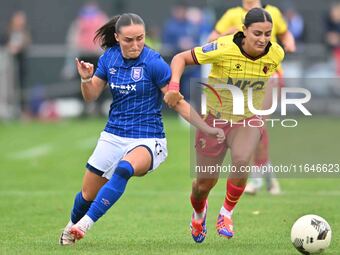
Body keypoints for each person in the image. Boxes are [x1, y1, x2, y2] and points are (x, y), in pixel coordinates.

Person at [59, 13, 225, 245]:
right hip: (113, 134)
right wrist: (86, 80)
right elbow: (91, 96)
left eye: (140, 38)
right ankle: (70, 228)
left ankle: (85, 224)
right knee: (86, 195)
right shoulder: (109, 58)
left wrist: (206, 128)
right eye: (129, 40)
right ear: (117, 37)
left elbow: (176, 101)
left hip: (148, 137)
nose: (136, 44)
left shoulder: (153, 62)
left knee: (125, 169)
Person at [164, 8, 284, 242]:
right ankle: (199, 213)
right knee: (203, 185)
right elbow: (181, 58)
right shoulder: (223, 47)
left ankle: (226, 213)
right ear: (244, 30)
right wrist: (174, 87)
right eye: (257, 33)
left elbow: (271, 82)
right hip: (214, 120)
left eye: (268, 34)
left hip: (247, 120)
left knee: (241, 160)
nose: (263, 39)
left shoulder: (276, 54)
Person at [207, 0, 296, 195]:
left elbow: (285, 32)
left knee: (256, 125)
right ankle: (269, 176)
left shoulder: (272, 12)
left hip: (269, 77)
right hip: (240, 81)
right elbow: (209, 41)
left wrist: (289, 41)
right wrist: (227, 33)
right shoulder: (232, 14)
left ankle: (255, 178)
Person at [4, 11, 31, 115]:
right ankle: (9, 110)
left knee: (22, 88)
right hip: (8, 66)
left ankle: (23, 111)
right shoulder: (8, 30)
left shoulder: (25, 32)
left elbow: (27, 42)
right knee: (8, 87)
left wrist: (19, 47)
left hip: (20, 65)